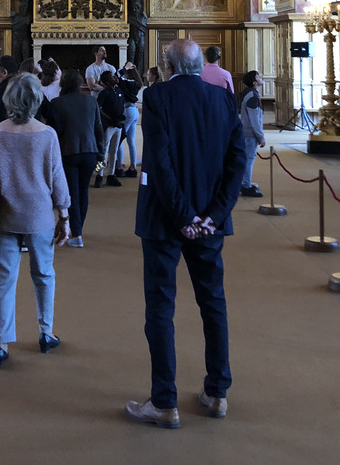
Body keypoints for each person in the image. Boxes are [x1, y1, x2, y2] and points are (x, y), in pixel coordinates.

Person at [125, 39, 245, 429]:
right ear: (199, 64)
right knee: (214, 303)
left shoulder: (158, 97)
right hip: (209, 223)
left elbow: (158, 163)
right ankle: (217, 393)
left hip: (164, 220)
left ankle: (164, 402)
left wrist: (183, 217)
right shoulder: (224, 99)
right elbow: (236, 164)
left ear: (167, 65)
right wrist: (211, 216)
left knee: (161, 307)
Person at [0, 73, 71, 369]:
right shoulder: (47, 134)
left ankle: (1, 343)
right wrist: (64, 215)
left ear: (9, 100)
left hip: (3, 214)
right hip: (39, 215)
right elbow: (57, 179)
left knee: (5, 278)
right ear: (37, 99)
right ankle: (45, 332)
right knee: (43, 274)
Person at [45, 69, 104, 248]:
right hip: (90, 152)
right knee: (83, 192)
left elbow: (54, 132)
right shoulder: (91, 101)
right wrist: (101, 154)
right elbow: (98, 129)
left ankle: (76, 233)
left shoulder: (56, 103)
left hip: (67, 152)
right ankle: (78, 229)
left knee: (71, 193)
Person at [237, 71, 266, 198]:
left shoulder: (250, 93)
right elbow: (254, 119)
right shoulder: (252, 96)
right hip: (249, 133)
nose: (261, 78)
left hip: (246, 131)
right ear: (254, 82)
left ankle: (244, 183)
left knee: (246, 158)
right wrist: (260, 136)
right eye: (258, 77)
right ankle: (246, 186)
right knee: (249, 159)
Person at [96, 70, 126, 188]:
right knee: (103, 151)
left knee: (114, 150)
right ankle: (99, 174)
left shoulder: (119, 91)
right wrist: (110, 118)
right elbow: (99, 108)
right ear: (107, 81)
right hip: (108, 125)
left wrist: (120, 116)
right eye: (112, 77)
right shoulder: (104, 93)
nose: (115, 77)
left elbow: (122, 105)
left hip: (117, 125)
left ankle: (111, 174)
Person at [117, 63, 142, 176]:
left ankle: (119, 166)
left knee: (119, 139)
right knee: (131, 141)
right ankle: (132, 167)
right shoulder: (136, 83)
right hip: (135, 110)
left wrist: (124, 69)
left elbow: (116, 75)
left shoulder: (125, 82)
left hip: (127, 110)